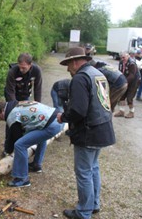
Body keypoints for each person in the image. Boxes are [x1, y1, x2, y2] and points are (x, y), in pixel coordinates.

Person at [57, 47, 116, 219]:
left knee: (84, 172)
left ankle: (83, 212)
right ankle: (93, 204)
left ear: (75, 61)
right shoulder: (98, 74)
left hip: (89, 131)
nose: (68, 69)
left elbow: (78, 111)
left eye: (68, 64)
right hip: (102, 128)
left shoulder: (80, 78)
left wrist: (63, 117)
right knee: (93, 168)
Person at [0, 100, 61, 187]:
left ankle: (22, 178)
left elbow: (17, 137)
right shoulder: (18, 104)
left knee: (20, 145)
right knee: (40, 135)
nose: (0, 119)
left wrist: (8, 151)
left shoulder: (12, 116)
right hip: (58, 118)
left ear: (2, 111)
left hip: (52, 125)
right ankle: (36, 165)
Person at [2, 53, 43, 156]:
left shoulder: (36, 71)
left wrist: (37, 105)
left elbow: (37, 88)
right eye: (20, 67)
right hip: (12, 96)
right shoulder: (13, 71)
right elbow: (10, 91)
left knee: (24, 120)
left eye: (24, 68)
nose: (21, 70)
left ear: (30, 65)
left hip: (25, 96)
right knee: (11, 120)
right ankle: (8, 148)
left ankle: (21, 145)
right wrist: (14, 107)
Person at [114, 51, 140, 118]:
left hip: (134, 82)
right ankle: (121, 111)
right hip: (126, 80)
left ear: (128, 56)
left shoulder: (132, 63)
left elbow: (132, 75)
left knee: (129, 97)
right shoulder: (121, 62)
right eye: (121, 58)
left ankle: (132, 112)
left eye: (123, 57)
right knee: (122, 95)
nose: (122, 59)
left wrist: (124, 81)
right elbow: (120, 71)